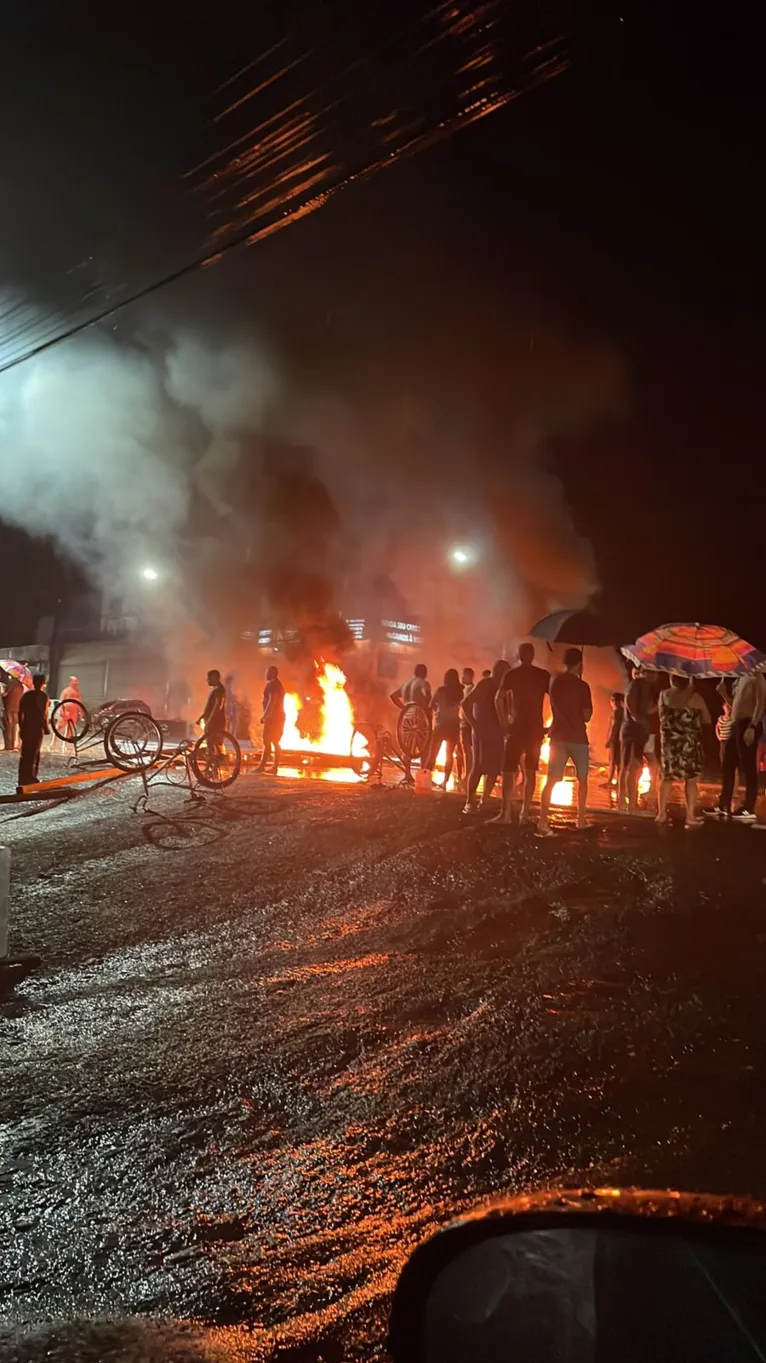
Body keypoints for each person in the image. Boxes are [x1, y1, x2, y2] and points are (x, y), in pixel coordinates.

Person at [492, 643, 550, 824]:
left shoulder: (512, 674)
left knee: (508, 771)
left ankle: (506, 813)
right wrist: (551, 725)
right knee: (530, 771)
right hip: (534, 729)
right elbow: (556, 699)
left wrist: (504, 723)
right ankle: (524, 813)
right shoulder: (542, 675)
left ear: (518, 655)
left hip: (516, 728)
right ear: (532, 655)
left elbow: (498, 698)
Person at [538, 648, 592, 835]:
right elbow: (586, 716)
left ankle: (543, 821)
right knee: (582, 779)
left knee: (551, 779)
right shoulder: (583, 686)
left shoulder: (555, 682)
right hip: (577, 738)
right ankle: (581, 819)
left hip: (558, 736)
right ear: (579, 664)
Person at [709, 670, 766, 821]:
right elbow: (735, 705)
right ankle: (723, 804)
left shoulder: (757, 677)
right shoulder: (740, 678)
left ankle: (749, 807)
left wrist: (753, 726)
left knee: (747, 765)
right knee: (727, 763)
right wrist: (724, 694)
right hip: (737, 724)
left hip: (748, 723)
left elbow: (761, 702)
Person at [656, 675, 710, 826]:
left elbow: (661, 716)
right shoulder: (694, 697)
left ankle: (661, 814)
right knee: (691, 780)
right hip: (688, 743)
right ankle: (690, 815)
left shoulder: (663, 695)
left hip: (668, 743)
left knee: (666, 777)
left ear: (671, 679)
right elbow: (707, 718)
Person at [461, 659, 510, 813]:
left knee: (494, 769)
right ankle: (470, 801)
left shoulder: (505, 689)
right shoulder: (485, 685)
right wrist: (474, 724)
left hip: (497, 733)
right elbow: (465, 703)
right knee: (478, 767)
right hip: (482, 733)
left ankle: (485, 800)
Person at [619, 664, 656, 813]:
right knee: (632, 766)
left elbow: (643, 708)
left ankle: (630, 800)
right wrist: (637, 717)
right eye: (652, 672)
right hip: (632, 732)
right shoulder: (637, 683)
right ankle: (630, 802)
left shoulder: (645, 686)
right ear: (646, 672)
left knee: (634, 766)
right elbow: (629, 700)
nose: (655, 676)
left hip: (637, 732)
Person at [425, 669, 464, 790]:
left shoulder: (440, 690)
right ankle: (445, 782)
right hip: (453, 725)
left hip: (440, 725)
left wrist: (438, 710)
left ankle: (425, 779)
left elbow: (431, 705)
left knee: (433, 754)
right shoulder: (459, 692)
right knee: (449, 755)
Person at [17, 674, 50, 790]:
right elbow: (43, 715)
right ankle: (31, 778)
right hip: (36, 729)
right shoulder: (43, 696)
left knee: (25, 754)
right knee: (34, 754)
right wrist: (46, 728)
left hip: (26, 727)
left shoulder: (26, 695)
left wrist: (21, 727)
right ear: (43, 684)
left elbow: (20, 712)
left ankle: (22, 778)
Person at [258, 665, 286, 774]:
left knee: (267, 741)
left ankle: (263, 766)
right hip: (278, 716)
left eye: (268, 672)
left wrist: (265, 715)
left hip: (273, 717)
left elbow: (272, 700)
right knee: (274, 741)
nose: (266, 675)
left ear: (273, 673)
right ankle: (274, 766)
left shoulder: (272, 685)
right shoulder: (278, 684)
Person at [197, 669, 227, 764]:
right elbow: (209, 707)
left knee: (212, 743)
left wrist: (210, 720)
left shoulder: (219, 690)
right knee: (211, 744)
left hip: (216, 721)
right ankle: (211, 765)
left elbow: (217, 706)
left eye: (209, 678)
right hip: (212, 720)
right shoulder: (216, 689)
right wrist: (201, 717)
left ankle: (213, 764)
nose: (207, 680)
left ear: (215, 678)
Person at [458, 667, 475, 788]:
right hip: (467, 723)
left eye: (463, 675)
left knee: (466, 749)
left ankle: (467, 775)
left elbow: (465, 706)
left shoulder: (469, 689)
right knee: (466, 750)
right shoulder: (469, 689)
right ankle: (467, 774)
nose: (461, 678)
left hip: (466, 723)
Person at [604, 692, 625, 788]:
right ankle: (617, 782)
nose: (611, 702)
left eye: (612, 700)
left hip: (615, 740)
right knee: (618, 761)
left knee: (613, 761)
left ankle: (611, 781)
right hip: (620, 739)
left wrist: (610, 739)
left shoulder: (617, 712)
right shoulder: (622, 712)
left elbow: (615, 727)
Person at [2, 670, 23, 751]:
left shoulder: (11, 684)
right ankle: (13, 745)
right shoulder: (20, 686)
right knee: (13, 727)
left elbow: (5, 694)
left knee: (7, 726)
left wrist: (1, 692)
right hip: (17, 708)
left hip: (9, 707)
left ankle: (8, 746)